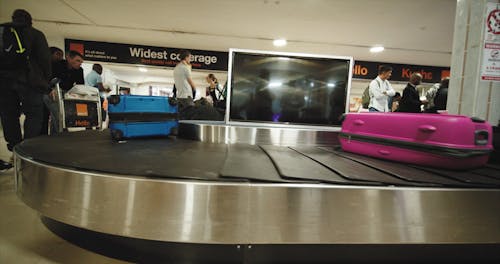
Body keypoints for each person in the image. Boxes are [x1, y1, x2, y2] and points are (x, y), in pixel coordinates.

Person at [0, 9, 51, 167]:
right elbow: (44, 61)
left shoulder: (2, 32)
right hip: (30, 81)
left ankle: (14, 147)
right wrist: (46, 82)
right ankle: (27, 149)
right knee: (34, 114)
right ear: (30, 20)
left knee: (9, 114)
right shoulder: (36, 34)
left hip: (5, 80)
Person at [45, 50, 84, 133]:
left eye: (81, 62)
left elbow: (80, 85)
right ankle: (62, 134)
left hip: (67, 94)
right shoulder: (57, 65)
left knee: (57, 116)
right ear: (69, 58)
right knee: (59, 115)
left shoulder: (79, 70)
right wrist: (51, 89)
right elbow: (49, 79)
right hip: (52, 91)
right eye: (77, 60)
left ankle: (55, 136)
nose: (79, 63)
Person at [41, 47, 64, 134]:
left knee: (50, 115)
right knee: (43, 116)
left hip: (50, 92)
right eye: (58, 54)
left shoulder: (57, 66)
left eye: (61, 55)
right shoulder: (42, 65)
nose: (60, 57)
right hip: (42, 92)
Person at [173, 50, 196, 114]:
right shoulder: (185, 68)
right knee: (191, 115)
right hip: (187, 96)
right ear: (186, 57)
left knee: (181, 116)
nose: (190, 60)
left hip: (179, 97)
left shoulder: (176, 68)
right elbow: (190, 81)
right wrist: (194, 88)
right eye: (190, 58)